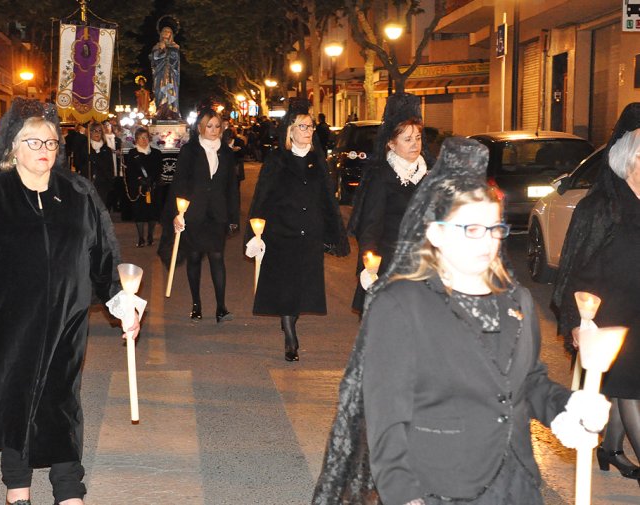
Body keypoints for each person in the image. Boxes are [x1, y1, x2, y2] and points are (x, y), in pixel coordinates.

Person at [313, 137, 612, 505]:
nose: (486, 241)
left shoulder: (516, 302)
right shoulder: (401, 306)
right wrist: (405, 496)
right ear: (436, 233)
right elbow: (387, 419)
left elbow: (528, 382)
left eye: (493, 228)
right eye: (470, 229)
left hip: (517, 488)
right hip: (441, 489)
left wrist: (568, 408)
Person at [0, 98, 137, 505]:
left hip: (66, 318)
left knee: (61, 398)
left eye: (51, 143)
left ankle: (68, 487)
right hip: (8, 319)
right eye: (34, 143)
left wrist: (121, 300)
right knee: (15, 395)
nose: (44, 151)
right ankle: (17, 485)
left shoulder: (78, 192)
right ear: (13, 148)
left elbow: (104, 254)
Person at [553, 102, 640, 482]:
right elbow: (573, 269)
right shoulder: (600, 207)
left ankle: (610, 450)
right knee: (632, 390)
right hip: (609, 320)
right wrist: (574, 322)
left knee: (625, 388)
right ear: (630, 159)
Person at [246, 99, 349, 361]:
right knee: (287, 286)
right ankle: (290, 336)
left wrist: (333, 233)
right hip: (282, 233)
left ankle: (289, 319)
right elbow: (262, 198)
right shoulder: (277, 160)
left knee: (303, 287)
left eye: (311, 126)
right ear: (290, 130)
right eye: (303, 126)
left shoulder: (318, 160)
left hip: (310, 233)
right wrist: (254, 234)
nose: (309, 130)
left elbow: (327, 198)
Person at [348, 93, 433, 314]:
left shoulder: (429, 176)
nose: (415, 144)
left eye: (418, 138)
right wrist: (368, 267)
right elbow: (370, 226)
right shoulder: (382, 177)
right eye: (407, 139)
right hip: (391, 267)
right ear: (391, 144)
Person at [161, 107, 239, 322]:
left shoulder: (227, 153)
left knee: (217, 257)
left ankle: (221, 307)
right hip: (194, 213)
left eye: (217, 126)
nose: (214, 130)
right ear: (200, 128)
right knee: (194, 257)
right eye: (209, 126)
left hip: (217, 213)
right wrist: (178, 213)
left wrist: (233, 218)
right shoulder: (189, 151)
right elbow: (180, 183)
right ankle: (196, 304)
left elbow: (232, 187)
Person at [124, 127, 162, 247]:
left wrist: (152, 180)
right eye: (140, 138)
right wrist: (140, 180)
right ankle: (141, 238)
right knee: (139, 212)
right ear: (136, 140)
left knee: (152, 213)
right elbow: (130, 171)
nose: (143, 140)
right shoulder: (132, 154)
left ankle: (150, 236)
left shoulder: (156, 153)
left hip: (153, 187)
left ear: (149, 138)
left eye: (145, 137)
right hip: (139, 188)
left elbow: (159, 169)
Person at [151, 16, 181, 120]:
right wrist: (160, 50)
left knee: (171, 92)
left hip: (171, 74)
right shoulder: (156, 46)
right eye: (164, 31)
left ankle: (171, 112)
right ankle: (161, 111)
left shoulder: (175, 46)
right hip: (160, 74)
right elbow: (153, 60)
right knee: (160, 92)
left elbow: (175, 59)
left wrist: (167, 50)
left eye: (168, 31)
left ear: (171, 34)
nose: (165, 33)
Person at [87, 122, 116, 208]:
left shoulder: (106, 149)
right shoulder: (86, 147)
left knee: (101, 205)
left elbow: (109, 167)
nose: (97, 133)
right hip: (89, 180)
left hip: (102, 182)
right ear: (90, 133)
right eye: (94, 131)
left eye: (99, 131)